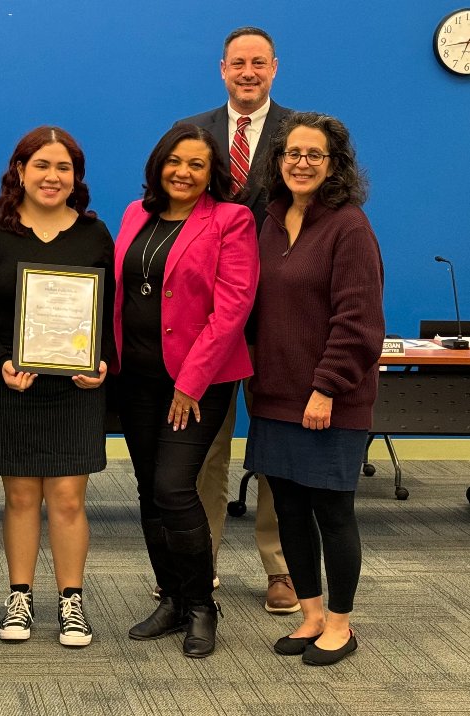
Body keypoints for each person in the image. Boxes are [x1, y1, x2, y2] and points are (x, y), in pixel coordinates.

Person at [0, 126, 114, 648]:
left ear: (76, 177)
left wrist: (103, 362)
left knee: (67, 499)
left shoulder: (95, 234)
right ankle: (18, 597)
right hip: (10, 383)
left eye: (63, 167)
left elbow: (107, 313)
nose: (52, 176)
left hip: (74, 389)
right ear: (20, 171)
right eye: (41, 165)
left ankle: (72, 602)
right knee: (21, 496)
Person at [114, 124, 258, 658]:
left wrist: (190, 382)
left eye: (196, 164)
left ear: (211, 172)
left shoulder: (230, 219)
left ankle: (202, 605)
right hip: (138, 379)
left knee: (176, 489)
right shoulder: (136, 214)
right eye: (175, 160)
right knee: (150, 490)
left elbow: (233, 307)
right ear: (159, 163)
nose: (184, 172)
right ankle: (172, 598)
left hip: (198, 383)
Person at [245, 112, 383, 666]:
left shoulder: (348, 225)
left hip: (330, 401)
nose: (300, 163)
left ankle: (342, 625)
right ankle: (311, 613)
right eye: (291, 153)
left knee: (332, 510)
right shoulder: (272, 220)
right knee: (290, 511)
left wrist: (325, 388)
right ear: (278, 162)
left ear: (334, 165)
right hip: (275, 397)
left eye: (314, 155)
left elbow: (359, 320)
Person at [175, 25, 298, 614]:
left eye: (259, 64)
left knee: (276, 441)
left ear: (274, 68)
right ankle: (204, 561)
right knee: (207, 445)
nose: (248, 73)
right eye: (237, 64)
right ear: (221, 68)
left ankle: (281, 566)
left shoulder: (303, 135)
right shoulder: (192, 134)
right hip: (211, 318)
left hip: (278, 311)